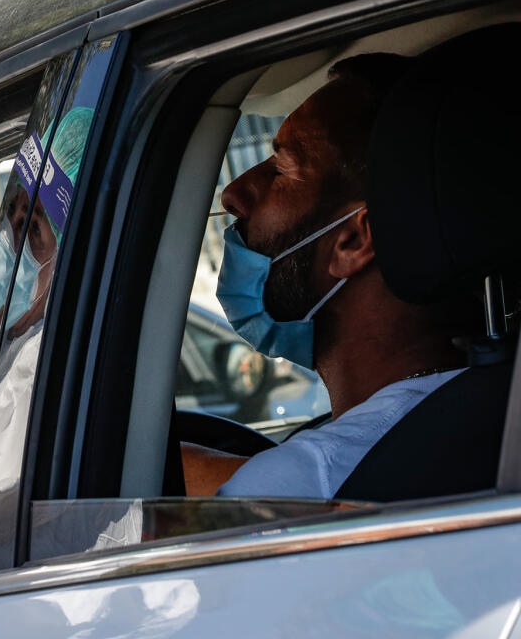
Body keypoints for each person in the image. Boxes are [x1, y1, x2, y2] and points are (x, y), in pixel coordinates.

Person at [182, 50, 480, 498]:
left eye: (282, 167)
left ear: (355, 241)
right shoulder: (487, 414)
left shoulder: (312, 487)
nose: (234, 193)